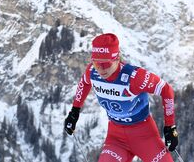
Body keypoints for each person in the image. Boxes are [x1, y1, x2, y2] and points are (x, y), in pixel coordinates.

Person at [64, 33, 179, 162]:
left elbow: (166, 89)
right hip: (116, 138)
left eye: (106, 64)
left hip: (144, 135)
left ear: (117, 59)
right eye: (97, 64)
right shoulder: (92, 72)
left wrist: (170, 126)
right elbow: (84, 83)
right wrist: (74, 112)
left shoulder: (135, 77)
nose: (101, 70)